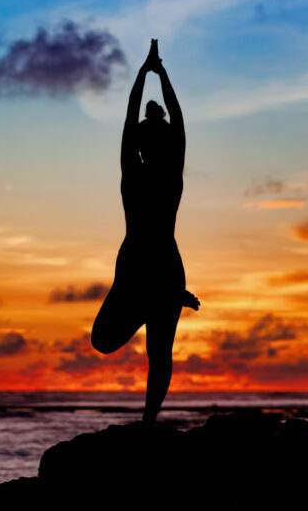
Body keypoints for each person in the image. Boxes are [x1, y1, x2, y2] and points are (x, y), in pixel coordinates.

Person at [90, 39, 199, 424]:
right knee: (103, 340)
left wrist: (147, 72)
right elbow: (173, 120)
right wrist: (158, 73)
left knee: (159, 351)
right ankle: (158, 299)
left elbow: (135, 117)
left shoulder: (144, 173)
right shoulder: (158, 173)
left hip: (149, 264)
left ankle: (149, 422)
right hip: (150, 270)